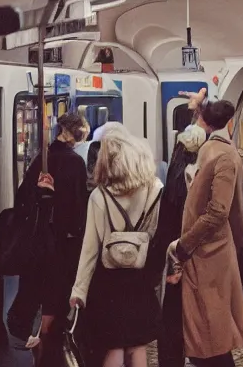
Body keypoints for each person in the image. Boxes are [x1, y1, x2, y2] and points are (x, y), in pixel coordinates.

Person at [69, 129, 165, 367]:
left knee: (114, 346)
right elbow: (156, 236)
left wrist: (79, 291)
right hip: (140, 280)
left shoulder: (99, 197)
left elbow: (89, 250)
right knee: (137, 345)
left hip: (108, 282)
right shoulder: (155, 189)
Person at [168, 98, 243, 367]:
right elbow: (219, 211)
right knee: (210, 332)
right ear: (230, 122)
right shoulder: (226, 155)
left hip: (203, 251)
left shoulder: (208, 150)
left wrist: (184, 244)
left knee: (207, 331)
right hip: (209, 250)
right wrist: (185, 245)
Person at [6, 113, 90, 367]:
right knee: (55, 299)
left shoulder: (40, 160)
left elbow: (22, 198)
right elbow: (79, 210)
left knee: (35, 295)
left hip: (37, 243)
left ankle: (35, 348)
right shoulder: (75, 162)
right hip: (62, 245)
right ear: (73, 132)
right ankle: (47, 350)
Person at [155, 124, 206, 367]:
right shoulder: (198, 175)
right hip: (190, 251)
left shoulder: (174, 174)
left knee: (172, 311)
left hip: (173, 249)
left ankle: (171, 359)